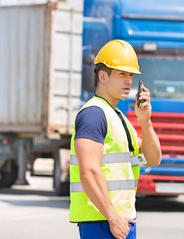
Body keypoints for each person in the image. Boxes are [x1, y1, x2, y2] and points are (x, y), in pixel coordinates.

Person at [69, 39, 162, 239]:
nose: (129, 80)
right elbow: (89, 171)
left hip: (120, 221)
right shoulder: (93, 114)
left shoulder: (120, 118)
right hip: (102, 222)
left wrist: (146, 122)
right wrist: (113, 218)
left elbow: (152, 159)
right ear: (103, 76)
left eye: (131, 75)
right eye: (122, 74)